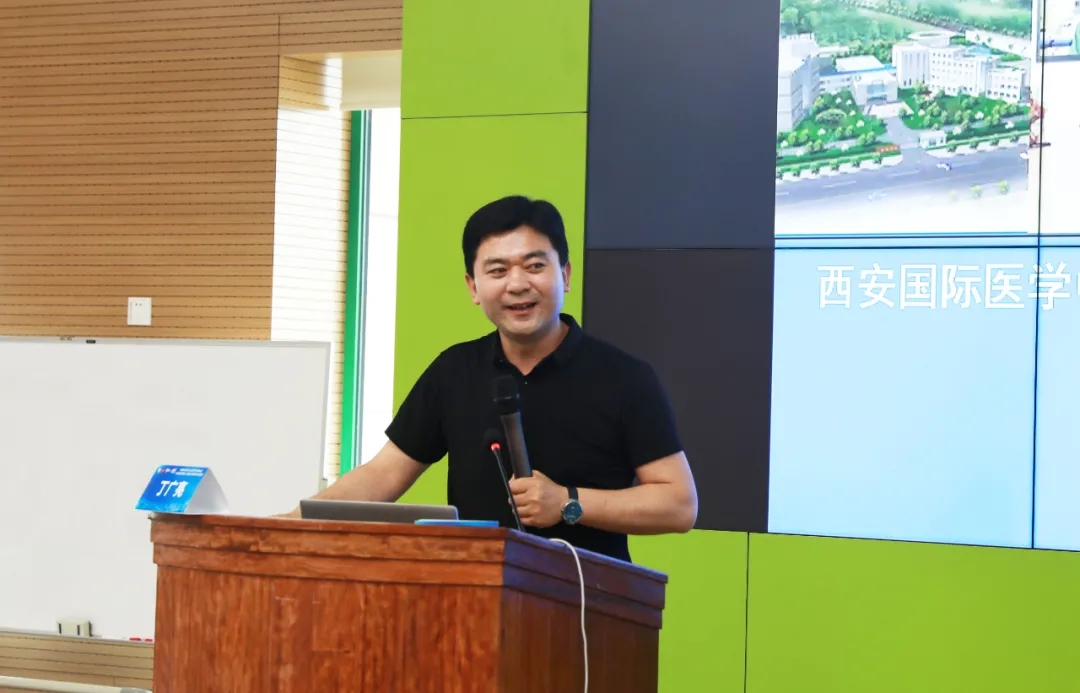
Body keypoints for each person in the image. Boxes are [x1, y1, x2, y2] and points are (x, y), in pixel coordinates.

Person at [279, 195, 698, 563]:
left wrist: (568, 502)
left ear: (565, 275)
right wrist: (286, 523)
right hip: (473, 603)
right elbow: (382, 475)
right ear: (473, 288)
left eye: (535, 266)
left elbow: (679, 504)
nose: (517, 284)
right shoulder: (454, 371)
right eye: (497, 271)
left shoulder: (623, 378)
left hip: (587, 608)